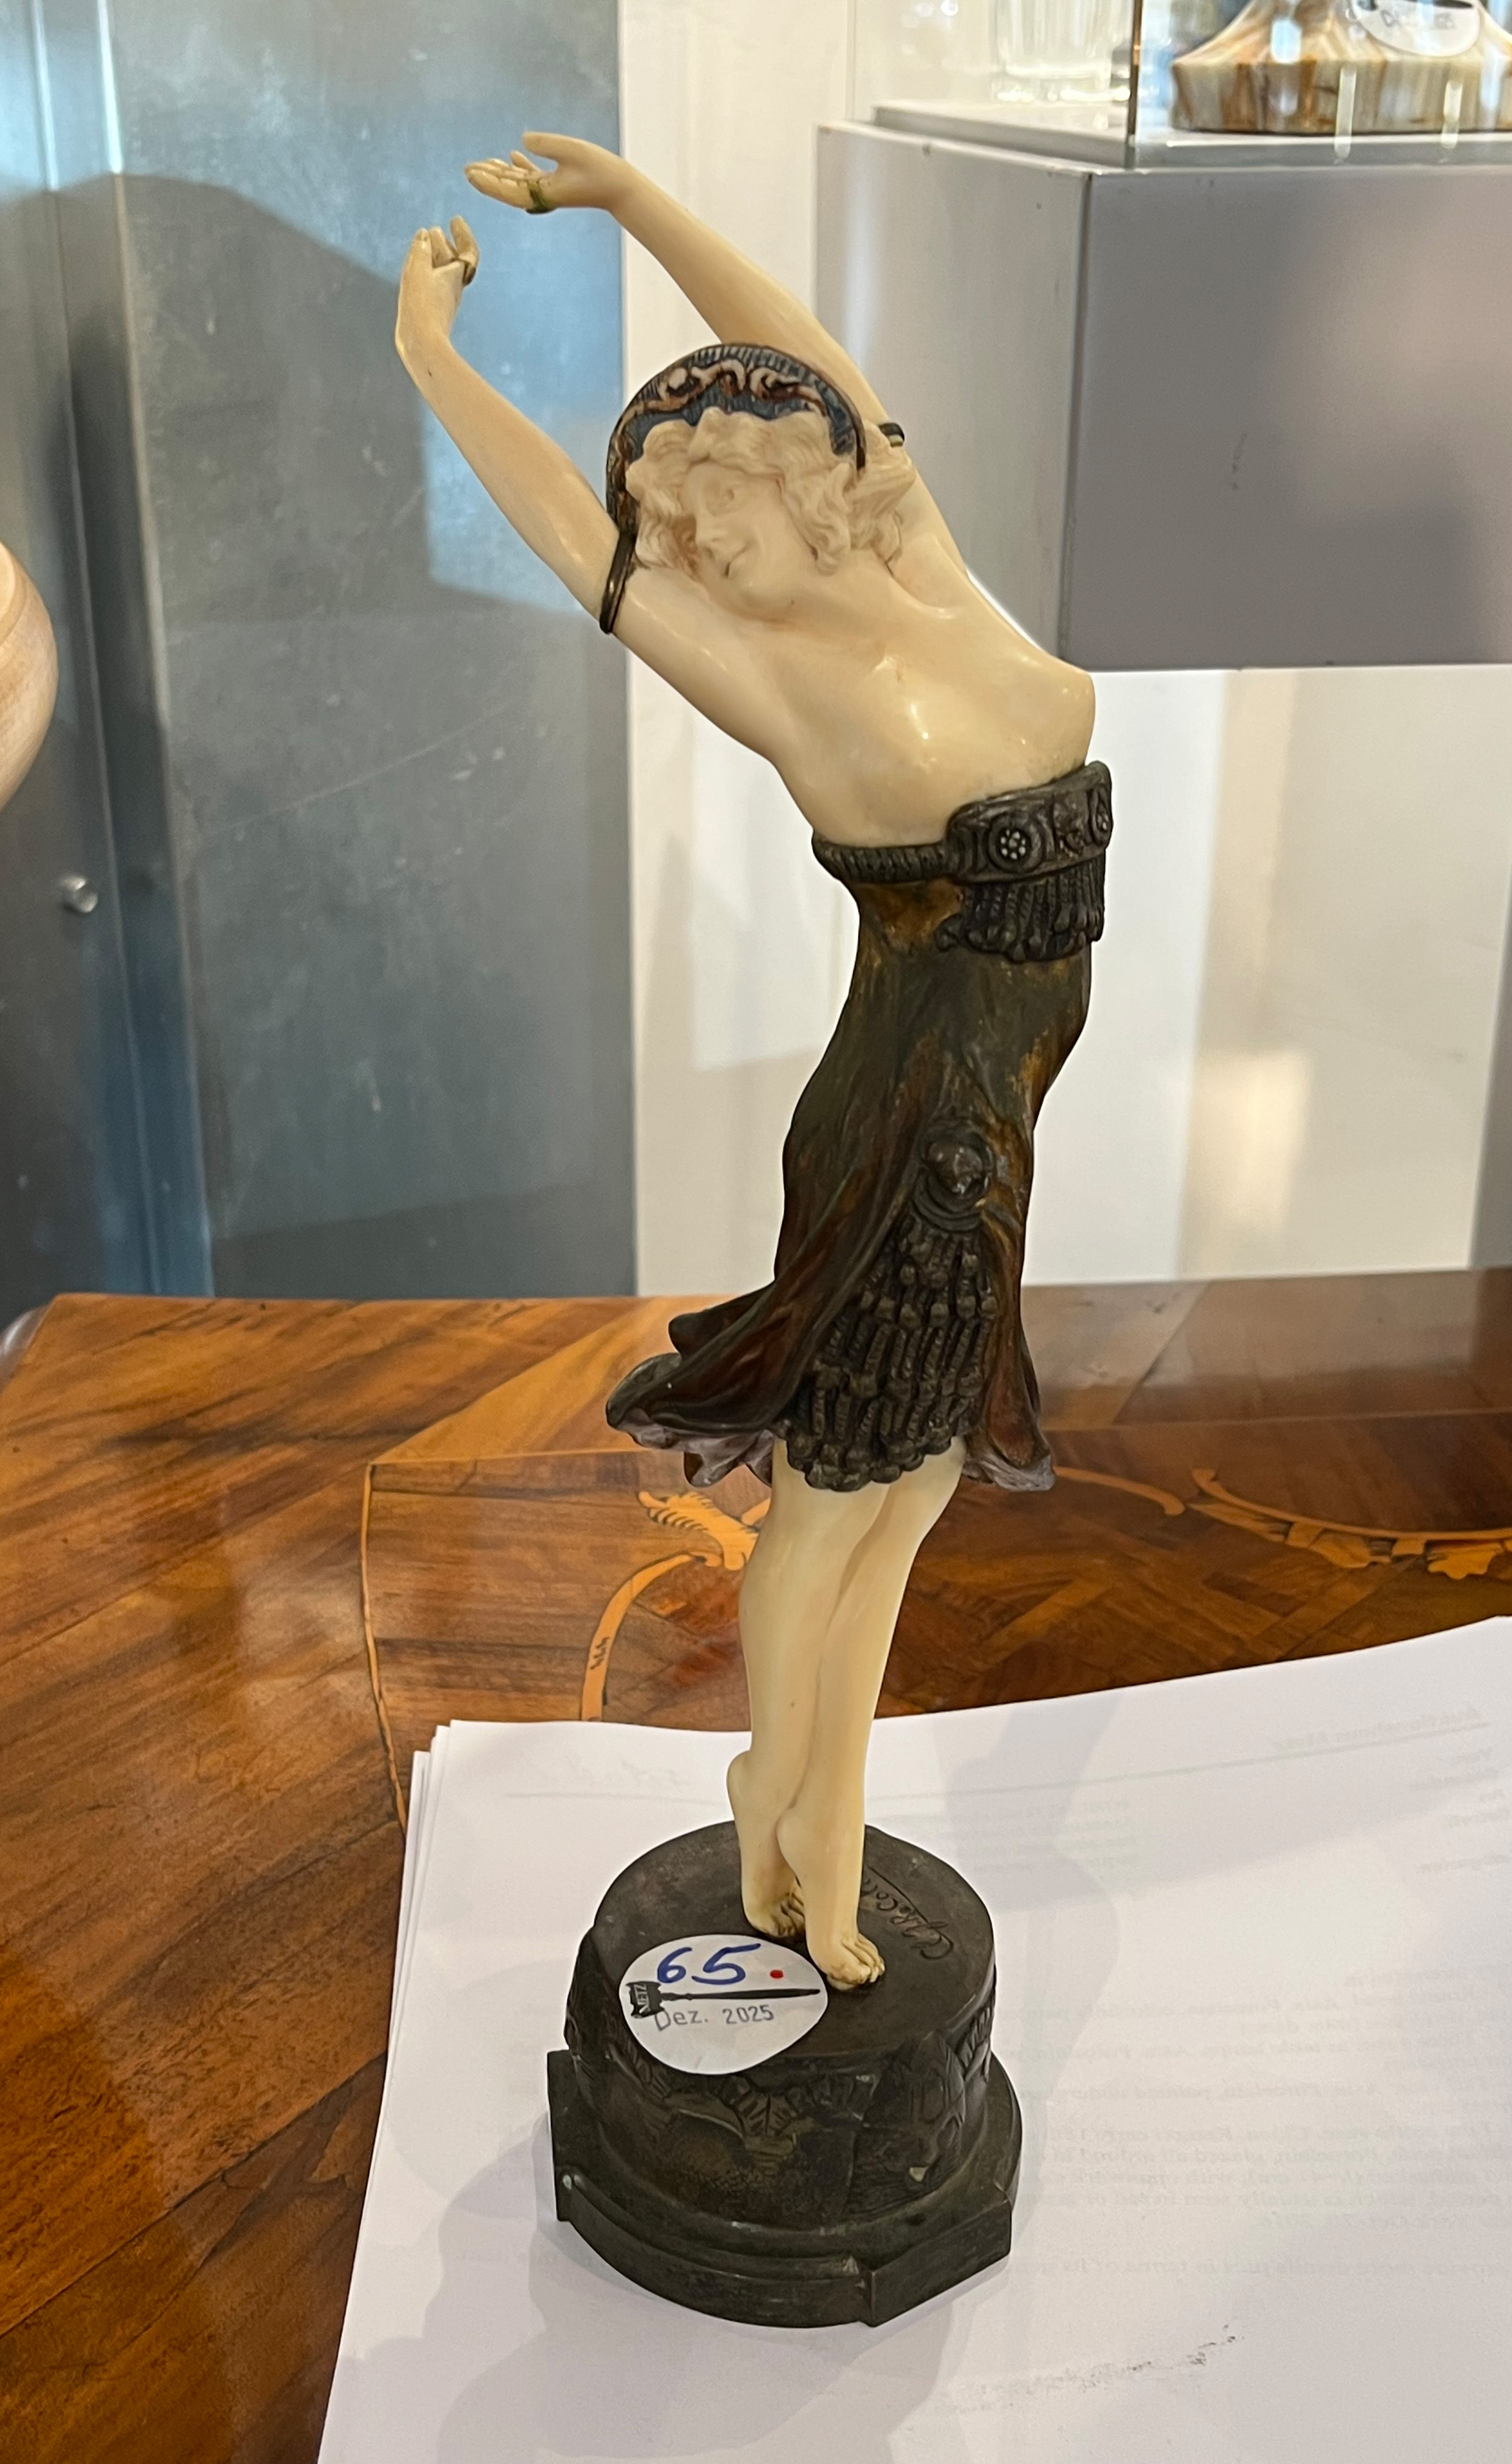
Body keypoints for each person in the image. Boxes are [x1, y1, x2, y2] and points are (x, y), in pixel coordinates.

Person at [395, 134, 1107, 1989]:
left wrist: (636, 204)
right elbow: (572, 536)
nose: (697, 554)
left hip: (996, 1114)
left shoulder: (927, 561)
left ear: (823, 489)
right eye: (681, 536)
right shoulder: (780, 685)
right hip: (915, 1125)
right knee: (845, 1490)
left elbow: (803, 360)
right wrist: (431, 361)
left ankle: (817, 1815)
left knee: (916, 1492)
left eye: (718, 514)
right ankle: (778, 1800)